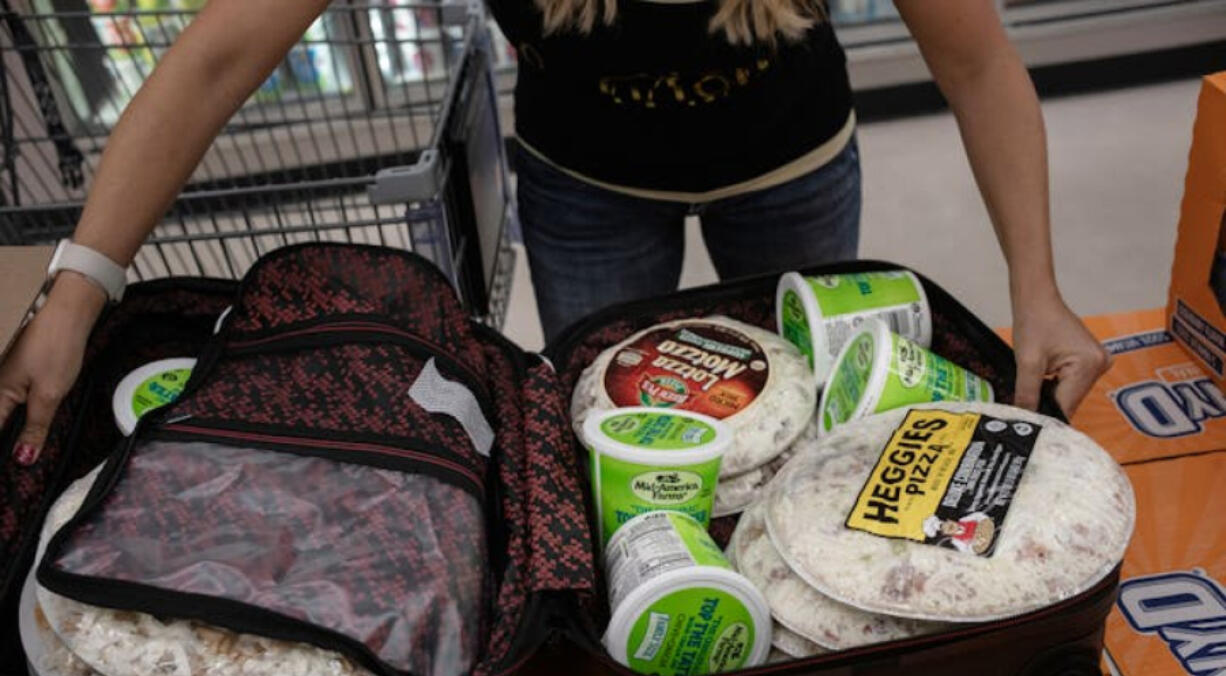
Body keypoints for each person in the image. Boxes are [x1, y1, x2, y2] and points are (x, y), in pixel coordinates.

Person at [0, 0, 1109, 467]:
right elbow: (211, 59)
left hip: (791, 168)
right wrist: (79, 287)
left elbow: (973, 59)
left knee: (797, 421)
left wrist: (1038, 290)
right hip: (584, 185)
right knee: (614, 432)